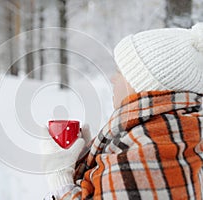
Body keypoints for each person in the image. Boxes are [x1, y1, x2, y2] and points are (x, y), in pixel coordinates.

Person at [41, 22, 203, 200]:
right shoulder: (184, 132)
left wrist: (60, 182)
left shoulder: (145, 151)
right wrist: (87, 162)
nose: (112, 79)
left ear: (142, 86)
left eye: (119, 71)